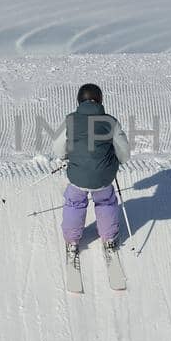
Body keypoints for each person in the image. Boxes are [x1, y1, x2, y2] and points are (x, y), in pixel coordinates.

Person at [50, 83, 130, 268]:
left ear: (79, 100)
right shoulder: (110, 121)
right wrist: (117, 161)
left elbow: (58, 148)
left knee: (74, 201)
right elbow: (124, 152)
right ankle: (109, 238)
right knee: (105, 201)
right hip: (104, 176)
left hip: (78, 176)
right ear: (100, 100)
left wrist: (66, 156)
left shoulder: (70, 120)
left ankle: (72, 240)